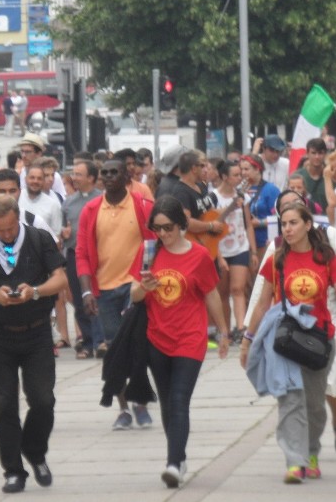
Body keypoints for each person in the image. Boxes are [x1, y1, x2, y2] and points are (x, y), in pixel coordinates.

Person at [241, 203, 336, 484]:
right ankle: (295, 461)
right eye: (284, 224)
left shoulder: (325, 257)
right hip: (285, 340)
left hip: (320, 339)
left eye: (294, 223)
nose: (288, 229)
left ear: (308, 225)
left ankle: (312, 452)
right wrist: (247, 340)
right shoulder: (276, 259)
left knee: (315, 405)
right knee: (290, 400)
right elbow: (261, 304)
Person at [0, 195, 67, 494]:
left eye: (10, 229)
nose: (6, 235)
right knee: (3, 403)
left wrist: (35, 291)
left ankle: (34, 449)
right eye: (0, 230)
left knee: (43, 399)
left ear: (18, 218)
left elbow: (60, 279)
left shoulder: (38, 238)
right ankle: (13, 470)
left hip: (36, 333)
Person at [129, 196, 230, 487]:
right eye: (157, 228)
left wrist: (223, 331)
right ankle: (180, 455)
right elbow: (134, 294)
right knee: (166, 402)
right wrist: (143, 288)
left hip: (190, 337)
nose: (162, 234)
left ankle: (173, 464)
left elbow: (211, 294)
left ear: (182, 225)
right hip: (156, 337)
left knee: (179, 399)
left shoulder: (198, 256)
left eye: (168, 228)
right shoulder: (148, 251)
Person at [76, 159, 156, 429]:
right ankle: (123, 410)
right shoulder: (90, 210)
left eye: (114, 172)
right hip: (105, 290)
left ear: (127, 176)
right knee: (114, 351)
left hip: (135, 288)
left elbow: (155, 244)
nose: (108, 177)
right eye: (105, 173)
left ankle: (141, 404)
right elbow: (82, 254)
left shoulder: (143, 206)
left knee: (137, 348)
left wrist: (148, 281)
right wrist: (87, 291)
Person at [60, 160, 103, 359]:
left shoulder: (103, 200)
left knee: (99, 299)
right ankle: (86, 343)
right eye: (73, 174)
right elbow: (64, 230)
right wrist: (64, 234)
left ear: (91, 178)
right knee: (79, 300)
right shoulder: (68, 202)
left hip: (100, 256)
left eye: (79, 174)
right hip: (75, 256)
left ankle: (101, 341)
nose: (74, 178)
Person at [213, 160, 256, 343]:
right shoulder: (213, 197)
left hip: (240, 247)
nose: (240, 178)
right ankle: (226, 331)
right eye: (236, 175)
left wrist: (253, 251)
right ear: (224, 177)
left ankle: (241, 328)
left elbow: (248, 225)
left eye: (241, 174)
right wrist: (231, 206)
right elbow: (214, 222)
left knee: (238, 288)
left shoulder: (243, 196)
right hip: (221, 249)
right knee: (223, 293)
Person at [239, 154, 280, 258]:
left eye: (246, 169)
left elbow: (279, 217)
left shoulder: (271, 190)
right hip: (242, 243)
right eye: (241, 169)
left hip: (264, 241)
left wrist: (259, 223)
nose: (243, 173)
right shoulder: (239, 190)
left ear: (257, 169)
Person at [295, 138, 329, 211]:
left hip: (327, 220)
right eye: (313, 153)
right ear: (307, 154)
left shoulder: (332, 176)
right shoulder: (298, 175)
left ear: (325, 154)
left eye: (320, 153)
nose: (317, 157)